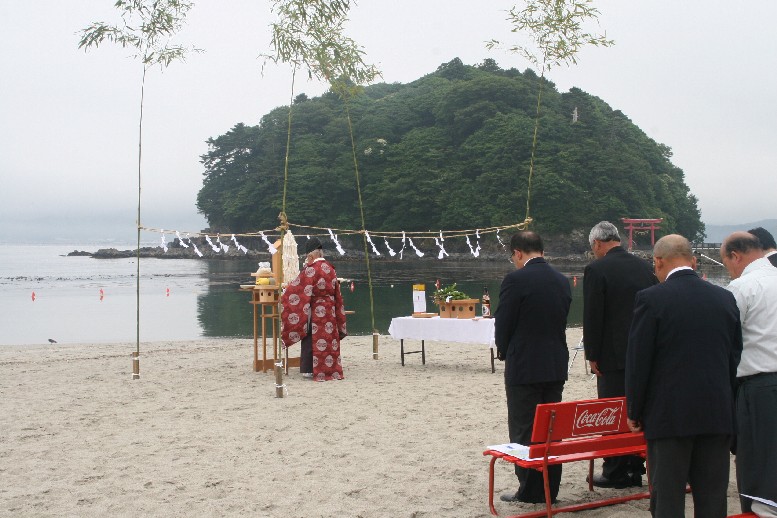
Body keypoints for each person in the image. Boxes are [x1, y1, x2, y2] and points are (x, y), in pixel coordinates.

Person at [626, 234, 742, 518]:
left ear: (658, 261)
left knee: (668, 497)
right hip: (716, 412)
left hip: (669, 415)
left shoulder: (651, 299)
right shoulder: (724, 298)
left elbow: (639, 361)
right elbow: (734, 357)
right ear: (693, 260)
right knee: (713, 497)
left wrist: (635, 410)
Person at [494, 231, 572, 504]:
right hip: (554, 363)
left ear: (517, 252)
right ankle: (552, 487)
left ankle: (530, 490)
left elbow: (503, 322)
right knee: (551, 429)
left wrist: (502, 350)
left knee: (524, 428)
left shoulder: (515, 280)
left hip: (525, 364)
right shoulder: (562, 281)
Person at [583, 221, 657, 488]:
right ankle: (635, 467)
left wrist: (592, 353)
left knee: (612, 411)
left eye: (593, 247)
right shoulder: (644, 266)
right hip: (644, 351)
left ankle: (615, 470)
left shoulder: (596, 269)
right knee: (637, 407)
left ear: (598, 243)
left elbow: (593, 316)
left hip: (612, 354)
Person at [720, 231, 777, 515]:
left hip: (759, 384)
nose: (728, 270)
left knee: (757, 456)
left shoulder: (742, 287)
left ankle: (759, 509)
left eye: (726, 263)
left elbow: (726, 340)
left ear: (736, 256)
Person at [280, 237, 348, 381]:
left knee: (311, 336)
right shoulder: (331, 268)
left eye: (307, 257)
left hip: (316, 309)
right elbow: (337, 293)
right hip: (330, 309)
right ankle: (332, 371)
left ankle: (310, 370)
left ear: (311, 256)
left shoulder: (311, 270)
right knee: (329, 338)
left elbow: (298, 289)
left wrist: (286, 292)